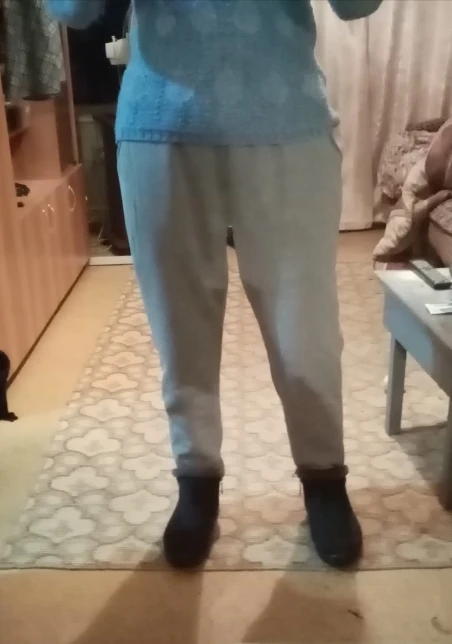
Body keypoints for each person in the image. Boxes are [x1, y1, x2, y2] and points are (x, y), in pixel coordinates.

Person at [49, 0, 382, 569]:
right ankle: (196, 477)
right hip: (161, 120)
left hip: (286, 119)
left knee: (305, 332)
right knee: (181, 332)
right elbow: (72, 9)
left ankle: (324, 476)